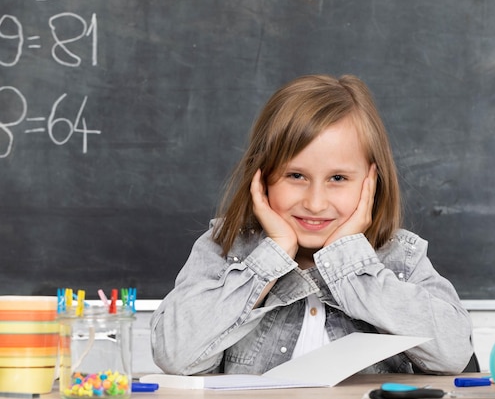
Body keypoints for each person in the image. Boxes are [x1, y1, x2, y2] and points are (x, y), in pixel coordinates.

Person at [150, 74, 474, 376]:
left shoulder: (400, 258)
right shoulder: (226, 249)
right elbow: (175, 354)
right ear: (261, 177)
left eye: (338, 178)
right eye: (296, 176)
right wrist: (274, 255)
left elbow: (454, 353)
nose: (316, 202)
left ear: (371, 182)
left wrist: (348, 262)